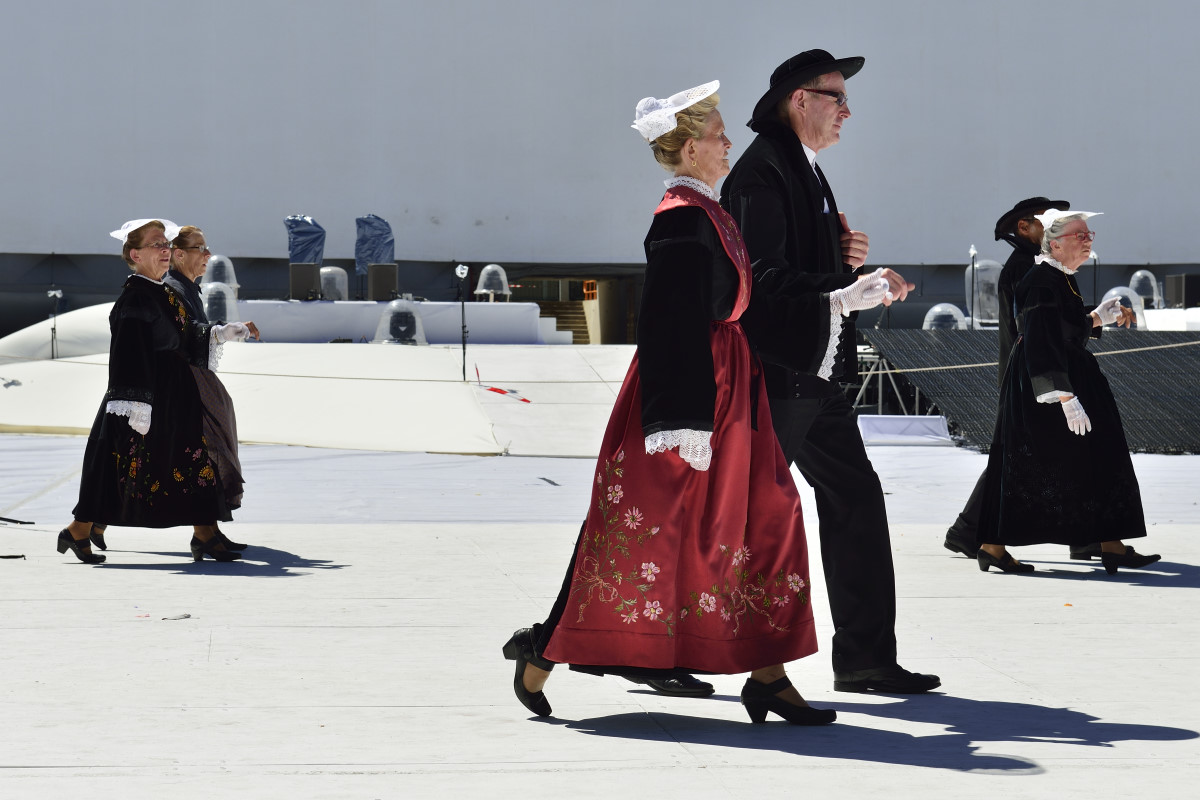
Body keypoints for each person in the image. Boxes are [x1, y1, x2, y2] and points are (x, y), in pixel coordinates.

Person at [503, 80, 895, 724]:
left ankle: (768, 672)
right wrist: (680, 419)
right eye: (716, 134)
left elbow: (750, 296)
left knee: (766, 517)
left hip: (733, 383)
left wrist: (838, 294)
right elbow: (668, 323)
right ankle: (545, 648)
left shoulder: (710, 210)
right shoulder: (681, 218)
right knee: (645, 536)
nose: (727, 141)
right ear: (689, 148)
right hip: (693, 392)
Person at [721, 49, 938, 694]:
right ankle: (661, 648)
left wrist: (846, 265)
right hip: (779, 370)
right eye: (835, 96)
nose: (848, 110)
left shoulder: (802, 169)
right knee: (736, 516)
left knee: (856, 501)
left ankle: (866, 659)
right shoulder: (763, 173)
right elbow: (762, 280)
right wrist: (854, 286)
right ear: (799, 100)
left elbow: (802, 272)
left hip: (813, 371)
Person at [57, 219, 254, 564]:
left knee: (194, 458)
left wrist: (222, 333)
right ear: (135, 254)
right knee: (115, 465)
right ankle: (78, 529)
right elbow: (127, 356)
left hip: (172, 395)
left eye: (166, 244)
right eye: (157, 244)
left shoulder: (160, 292)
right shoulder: (135, 299)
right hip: (141, 398)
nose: (166, 250)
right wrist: (135, 406)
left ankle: (205, 533)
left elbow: (184, 334)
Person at [976, 209, 1161, 575]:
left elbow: (1063, 326)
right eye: (1080, 234)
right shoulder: (1041, 280)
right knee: (1032, 462)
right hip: (1048, 382)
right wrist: (1064, 396)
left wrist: (1096, 318)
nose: (1088, 238)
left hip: (1069, 374)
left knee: (1100, 453)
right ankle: (992, 546)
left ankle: (1111, 543)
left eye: (1089, 233)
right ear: (1056, 244)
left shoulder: (1060, 278)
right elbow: (1040, 340)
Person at [943, 197, 1103, 561]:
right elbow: (1039, 328)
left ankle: (977, 534)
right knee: (1015, 456)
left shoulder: (1040, 266)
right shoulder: (1027, 267)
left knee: (1036, 454)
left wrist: (1091, 321)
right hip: (1033, 375)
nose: (1052, 225)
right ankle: (973, 533)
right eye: (1044, 219)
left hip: (1036, 373)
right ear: (1024, 227)